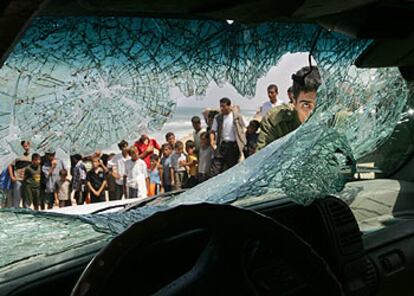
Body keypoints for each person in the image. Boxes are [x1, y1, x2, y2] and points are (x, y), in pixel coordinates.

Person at [257, 66, 321, 150]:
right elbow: (261, 159)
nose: (313, 114)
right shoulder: (275, 122)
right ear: (294, 101)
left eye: (321, 105)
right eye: (306, 105)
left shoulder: (337, 122)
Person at [208, 98, 247, 178]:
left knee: (231, 169)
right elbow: (212, 131)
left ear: (229, 106)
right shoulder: (218, 117)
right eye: (220, 106)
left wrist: (242, 140)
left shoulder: (237, 116)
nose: (221, 108)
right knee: (214, 170)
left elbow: (247, 126)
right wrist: (212, 141)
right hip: (221, 145)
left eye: (223, 106)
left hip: (233, 146)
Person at [8, 140, 32, 207]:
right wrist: (12, 176)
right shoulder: (17, 155)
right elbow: (10, 165)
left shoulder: (32, 156)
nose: (26, 148)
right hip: (18, 179)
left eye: (27, 146)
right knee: (17, 198)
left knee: (27, 199)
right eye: (24, 146)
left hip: (27, 180)